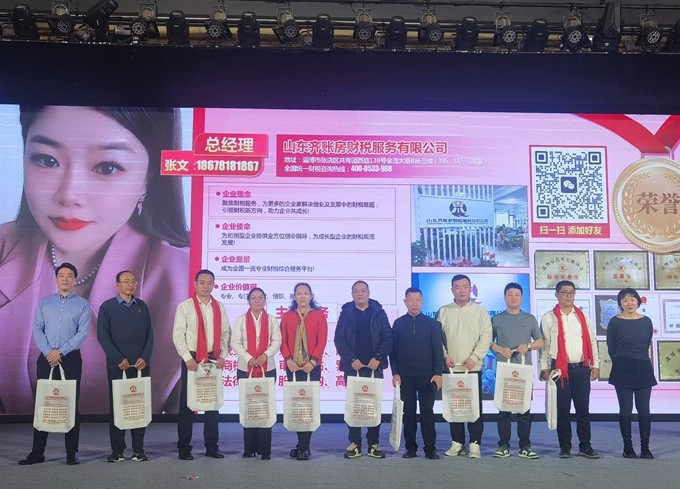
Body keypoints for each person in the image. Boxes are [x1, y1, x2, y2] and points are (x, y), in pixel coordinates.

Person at [0, 105, 189, 415]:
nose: (69, 195)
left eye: (107, 167)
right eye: (46, 160)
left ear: (147, 178)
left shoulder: (187, 281)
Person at [19, 263, 91, 466]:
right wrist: (49, 352)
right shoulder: (45, 302)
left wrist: (60, 352)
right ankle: (37, 453)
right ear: (56, 279)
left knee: (71, 404)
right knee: (43, 403)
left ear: (75, 279)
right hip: (46, 358)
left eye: (69, 275)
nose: (65, 278)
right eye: (61, 275)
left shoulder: (83, 305)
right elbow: (37, 329)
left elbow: (82, 333)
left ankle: (72, 453)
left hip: (71, 359)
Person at [172, 269, 231, 461]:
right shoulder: (185, 306)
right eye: (202, 282)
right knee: (187, 405)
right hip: (192, 359)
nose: (206, 286)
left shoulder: (219, 307)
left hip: (214, 359)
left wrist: (223, 356)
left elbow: (225, 334)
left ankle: (212, 446)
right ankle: (184, 447)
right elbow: (178, 334)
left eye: (210, 283)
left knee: (212, 404)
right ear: (195, 284)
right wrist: (187, 358)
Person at [97, 271, 154, 463]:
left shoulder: (142, 306)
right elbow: (103, 336)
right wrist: (117, 358)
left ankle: (139, 450)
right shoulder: (107, 307)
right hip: (117, 367)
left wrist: (145, 357)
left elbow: (150, 335)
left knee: (139, 407)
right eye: (126, 281)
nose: (130, 284)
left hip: (140, 366)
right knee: (118, 407)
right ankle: (117, 450)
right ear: (117, 285)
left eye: (133, 281)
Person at [539, 280, 600, 459]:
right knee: (562, 410)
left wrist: (595, 364)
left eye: (571, 292)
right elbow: (545, 345)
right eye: (564, 292)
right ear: (556, 295)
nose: (568, 296)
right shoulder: (548, 317)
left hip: (581, 368)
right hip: (559, 370)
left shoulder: (582, 316)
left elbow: (592, 341)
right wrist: (544, 367)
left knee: (583, 409)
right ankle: (565, 446)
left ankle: (585, 446)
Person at [334, 280, 393, 459]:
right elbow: (339, 339)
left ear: (369, 293)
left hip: (375, 367)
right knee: (354, 406)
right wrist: (352, 359)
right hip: (353, 367)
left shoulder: (379, 312)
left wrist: (378, 357)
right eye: (356, 291)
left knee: (373, 406)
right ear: (352, 294)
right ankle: (355, 443)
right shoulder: (346, 313)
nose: (359, 294)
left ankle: (374, 443)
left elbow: (388, 337)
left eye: (363, 290)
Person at [437, 274, 492, 459]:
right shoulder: (444, 311)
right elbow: (437, 338)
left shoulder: (480, 311)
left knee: (474, 408)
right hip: (451, 368)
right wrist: (445, 356)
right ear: (452, 290)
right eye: (457, 287)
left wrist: (474, 357)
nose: (461, 290)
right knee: (454, 408)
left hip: (472, 368)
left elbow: (486, 337)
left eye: (465, 286)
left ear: (470, 289)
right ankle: (457, 443)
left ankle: (475, 443)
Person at [490, 282, 544, 459]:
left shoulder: (529, 319)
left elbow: (540, 341)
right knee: (504, 411)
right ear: (505, 297)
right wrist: (500, 349)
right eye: (510, 295)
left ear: (521, 298)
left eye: (517, 295)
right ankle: (503, 445)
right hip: (504, 370)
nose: (513, 298)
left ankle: (525, 446)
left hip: (523, 371)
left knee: (524, 410)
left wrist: (527, 346)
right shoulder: (497, 319)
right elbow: (488, 342)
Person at [391, 287, 443, 460]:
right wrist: (395, 372)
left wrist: (438, 373)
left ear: (422, 302)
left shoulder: (432, 324)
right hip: (405, 376)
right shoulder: (398, 323)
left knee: (427, 413)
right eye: (411, 300)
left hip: (427, 375)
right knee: (409, 413)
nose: (414, 303)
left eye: (417, 300)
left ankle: (430, 448)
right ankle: (410, 448)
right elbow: (393, 351)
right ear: (405, 302)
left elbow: (438, 350)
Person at [231, 287, 282, 460]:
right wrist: (249, 358)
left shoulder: (272, 320)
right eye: (254, 297)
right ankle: (249, 448)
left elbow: (277, 341)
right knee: (249, 407)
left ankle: (265, 450)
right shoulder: (241, 320)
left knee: (265, 407)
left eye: (261, 297)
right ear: (248, 301)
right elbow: (235, 343)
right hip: (245, 368)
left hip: (267, 368)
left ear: (265, 300)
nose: (257, 300)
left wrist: (265, 355)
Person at [280, 282, 328, 461]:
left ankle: (303, 446)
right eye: (299, 293)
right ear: (294, 297)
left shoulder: (318, 315)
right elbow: (283, 340)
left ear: (311, 296)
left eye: (306, 293)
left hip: (312, 367)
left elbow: (322, 340)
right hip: (292, 366)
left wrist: (313, 361)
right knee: (297, 405)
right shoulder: (288, 316)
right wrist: (288, 359)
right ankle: (303, 445)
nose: (302, 296)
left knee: (308, 405)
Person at [606, 288, 657, 459]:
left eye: (633, 299)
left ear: (638, 301)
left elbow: (647, 343)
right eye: (625, 300)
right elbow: (611, 347)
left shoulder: (646, 321)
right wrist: (621, 361)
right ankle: (627, 447)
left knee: (644, 411)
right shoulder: (614, 322)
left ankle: (645, 448)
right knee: (625, 410)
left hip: (643, 367)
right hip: (622, 367)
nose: (629, 303)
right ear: (620, 303)